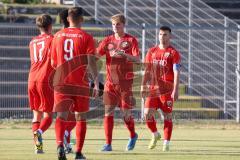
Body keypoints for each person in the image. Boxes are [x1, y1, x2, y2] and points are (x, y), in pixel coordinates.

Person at [51, 7, 99, 160]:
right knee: (80, 118)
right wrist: (96, 81)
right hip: (79, 83)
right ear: (82, 19)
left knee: (61, 116)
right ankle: (78, 153)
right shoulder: (86, 37)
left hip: (61, 82)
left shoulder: (57, 36)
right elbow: (91, 61)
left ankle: (60, 145)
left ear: (67, 19)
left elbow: (53, 62)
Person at [97, 14, 140, 151]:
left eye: (118, 24)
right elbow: (96, 56)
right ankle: (108, 144)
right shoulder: (107, 41)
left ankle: (133, 135)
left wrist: (124, 55)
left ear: (123, 25)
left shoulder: (131, 40)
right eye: (113, 25)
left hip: (125, 84)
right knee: (108, 112)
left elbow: (137, 59)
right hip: (110, 83)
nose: (115, 27)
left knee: (125, 114)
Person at [141, 26, 181, 151]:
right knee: (147, 114)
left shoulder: (173, 53)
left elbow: (176, 72)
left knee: (167, 116)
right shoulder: (151, 51)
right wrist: (143, 86)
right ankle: (155, 134)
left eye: (165, 35)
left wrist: (175, 89)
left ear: (170, 36)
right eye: (160, 34)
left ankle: (166, 143)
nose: (162, 37)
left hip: (167, 90)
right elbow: (147, 71)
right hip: (153, 89)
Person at [28, 14, 54, 154]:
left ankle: (38, 147)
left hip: (32, 79)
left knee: (36, 115)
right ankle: (39, 132)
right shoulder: (52, 39)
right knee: (48, 117)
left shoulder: (32, 41)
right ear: (50, 26)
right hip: (45, 79)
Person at [58, 8, 75, 154]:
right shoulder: (75, 35)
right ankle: (65, 140)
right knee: (73, 119)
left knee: (64, 117)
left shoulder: (57, 35)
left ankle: (65, 143)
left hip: (57, 81)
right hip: (72, 81)